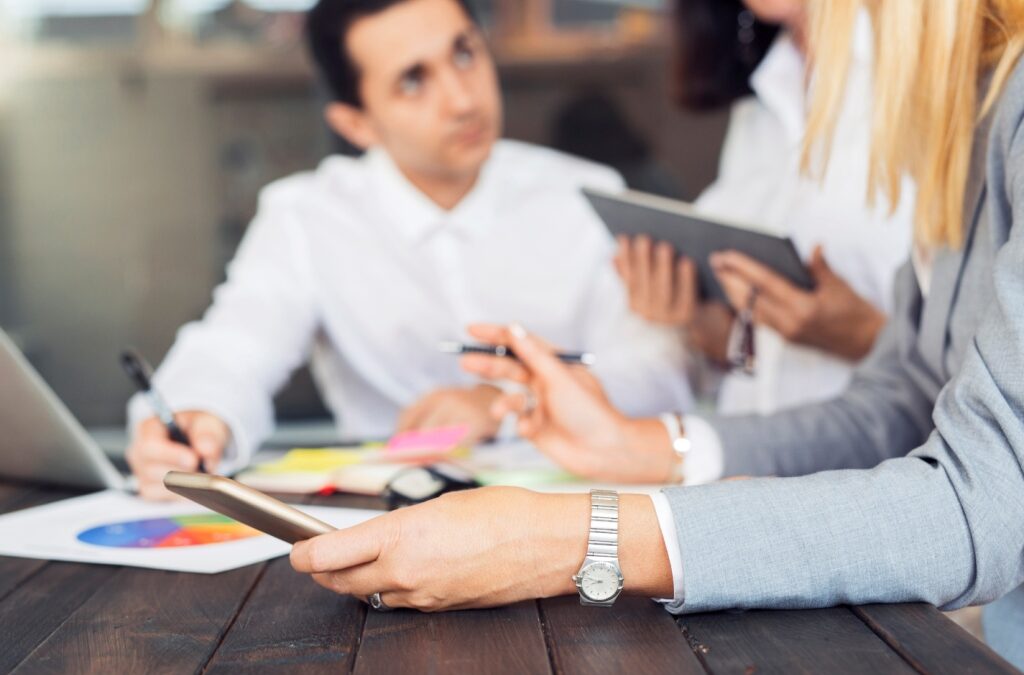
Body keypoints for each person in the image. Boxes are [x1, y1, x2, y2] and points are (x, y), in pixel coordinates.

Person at [289, 0, 1024, 667]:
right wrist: (639, 446)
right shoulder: (959, 114)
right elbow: (900, 402)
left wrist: (571, 538)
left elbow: (980, 505)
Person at [124, 0, 691, 499]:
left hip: (575, 511)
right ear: (356, 122)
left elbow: (660, 372)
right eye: (413, 81)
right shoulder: (307, 216)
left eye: (465, 54)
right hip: (376, 516)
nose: (463, 100)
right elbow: (235, 345)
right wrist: (202, 416)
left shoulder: (587, 198)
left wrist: (501, 405)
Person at [615, 0, 913, 420]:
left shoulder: (931, 77)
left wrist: (866, 337)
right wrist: (700, 323)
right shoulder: (764, 93)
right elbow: (760, 364)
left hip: (890, 467)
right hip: (757, 465)